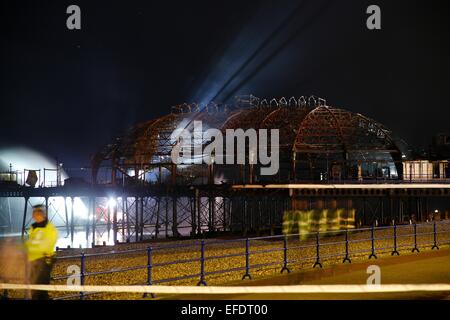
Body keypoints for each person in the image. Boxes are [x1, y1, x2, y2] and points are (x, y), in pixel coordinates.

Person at [24, 205, 58, 299]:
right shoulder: (33, 228)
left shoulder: (50, 228)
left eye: (35, 214)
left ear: (41, 215)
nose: (34, 216)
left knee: (41, 290)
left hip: (43, 261)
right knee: (35, 290)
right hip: (33, 262)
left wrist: (31, 249)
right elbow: (30, 244)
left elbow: (47, 245)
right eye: (33, 214)